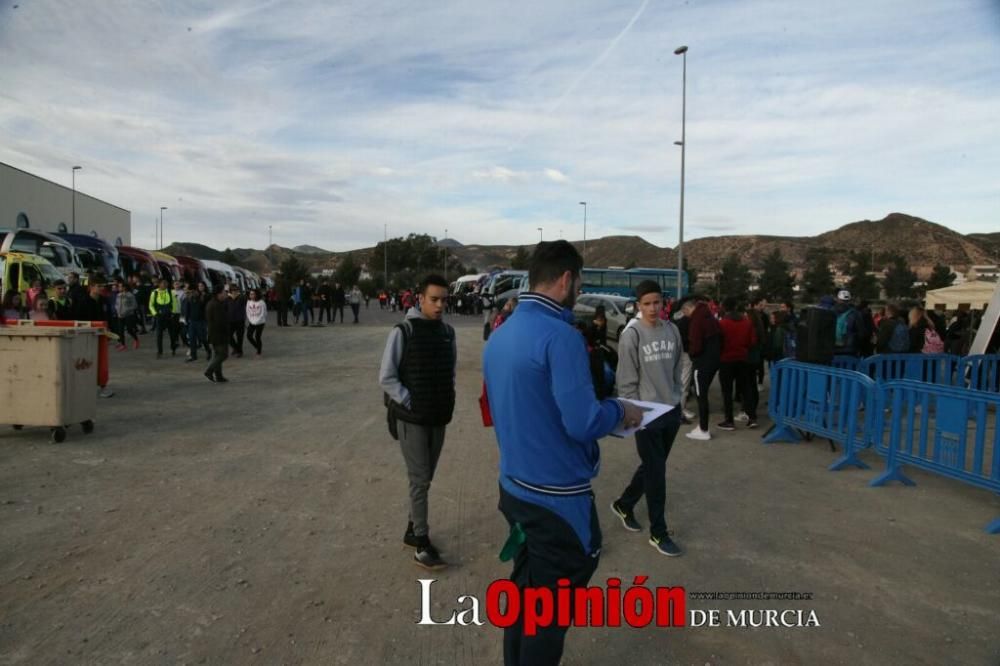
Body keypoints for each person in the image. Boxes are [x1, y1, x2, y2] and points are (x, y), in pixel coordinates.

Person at [483, 241, 644, 665]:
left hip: (514, 487)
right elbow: (583, 422)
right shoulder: (561, 337)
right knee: (548, 616)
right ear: (568, 279)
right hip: (556, 502)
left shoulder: (502, 334)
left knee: (525, 602)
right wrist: (620, 410)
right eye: (580, 283)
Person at [379, 274, 457, 571]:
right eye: (434, 299)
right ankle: (421, 543)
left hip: (438, 416)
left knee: (426, 477)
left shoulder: (448, 333)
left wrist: (446, 399)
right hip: (412, 419)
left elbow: (449, 372)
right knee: (419, 478)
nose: (439, 306)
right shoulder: (404, 330)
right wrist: (410, 401)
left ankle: (413, 529)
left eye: (443, 300)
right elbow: (386, 377)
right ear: (420, 299)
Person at [610, 279, 685, 556]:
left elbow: (678, 367)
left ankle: (624, 504)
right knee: (657, 472)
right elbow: (626, 379)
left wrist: (678, 398)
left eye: (657, 302)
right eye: (647, 304)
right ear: (638, 305)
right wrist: (633, 412)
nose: (653, 308)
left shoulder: (672, 330)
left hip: (671, 411)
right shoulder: (633, 335)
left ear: (664, 303)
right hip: (646, 414)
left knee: (654, 464)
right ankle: (659, 532)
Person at [682, 295, 721, 440]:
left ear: (688, 308)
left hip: (702, 363)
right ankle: (702, 427)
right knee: (702, 395)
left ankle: (703, 429)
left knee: (701, 396)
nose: (685, 316)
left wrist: (692, 354)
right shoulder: (709, 316)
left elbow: (696, 345)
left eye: (684, 312)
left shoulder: (696, 321)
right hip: (714, 361)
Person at [717, 297, 759, 430]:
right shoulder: (747, 322)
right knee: (746, 389)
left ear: (724, 308)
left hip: (726, 359)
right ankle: (752, 417)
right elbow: (752, 341)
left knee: (727, 391)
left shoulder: (722, 323)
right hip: (742, 358)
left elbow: (718, 342)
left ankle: (729, 420)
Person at [204, 285, 230, 382]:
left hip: (214, 333)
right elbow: (220, 321)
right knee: (223, 354)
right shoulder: (216, 305)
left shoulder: (214, 303)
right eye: (224, 292)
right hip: (219, 334)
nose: (225, 294)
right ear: (219, 294)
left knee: (218, 354)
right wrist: (227, 332)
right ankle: (209, 370)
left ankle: (219, 376)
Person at [149, 278, 179, 358]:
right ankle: (159, 351)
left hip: (169, 316)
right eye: (163, 283)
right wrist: (155, 314)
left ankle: (173, 348)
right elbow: (151, 305)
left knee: (172, 333)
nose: (165, 285)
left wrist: (173, 312)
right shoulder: (154, 293)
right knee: (159, 334)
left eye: (166, 283)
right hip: (159, 316)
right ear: (159, 284)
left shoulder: (170, 292)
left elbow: (174, 303)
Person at [183, 282, 209, 361]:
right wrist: (186, 320)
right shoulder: (190, 297)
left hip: (201, 321)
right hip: (192, 321)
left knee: (202, 338)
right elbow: (188, 309)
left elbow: (207, 309)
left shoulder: (204, 296)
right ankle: (193, 356)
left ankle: (208, 351)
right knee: (192, 338)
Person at [114, 279, 140, 350]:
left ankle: (136, 339)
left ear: (124, 287)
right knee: (120, 330)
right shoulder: (118, 295)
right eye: (118, 287)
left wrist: (126, 311)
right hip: (120, 315)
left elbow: (134, 305)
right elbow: (116, 304)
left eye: (120, 287)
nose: (119, 288)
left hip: (128, 315)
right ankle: (123, 344)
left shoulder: (130, 295)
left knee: (129, 330)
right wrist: (117, 311)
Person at [245, 288, 267, 356]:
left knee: (257, 336)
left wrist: (258, 320)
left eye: (253, 294)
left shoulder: (261, 302)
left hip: (260, 322)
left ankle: (259, 351)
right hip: (252, 322)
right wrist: (250, 320)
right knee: (249, 336)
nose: (251, 295)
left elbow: (264, 313)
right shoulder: (248, 302)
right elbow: (247, 312)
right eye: (250, 294)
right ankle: (257, 346)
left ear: (256, 295)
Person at [227, 287, 247, 357]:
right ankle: (236, 348)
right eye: (232, 291)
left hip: (240, 320)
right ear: (230, 292)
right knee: (228, 336)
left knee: (240, 337)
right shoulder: (228, 299)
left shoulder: (241, 298)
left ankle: (240, 351)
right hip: (230, 321)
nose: (234, 292)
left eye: (235, 290)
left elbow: (246, 303)